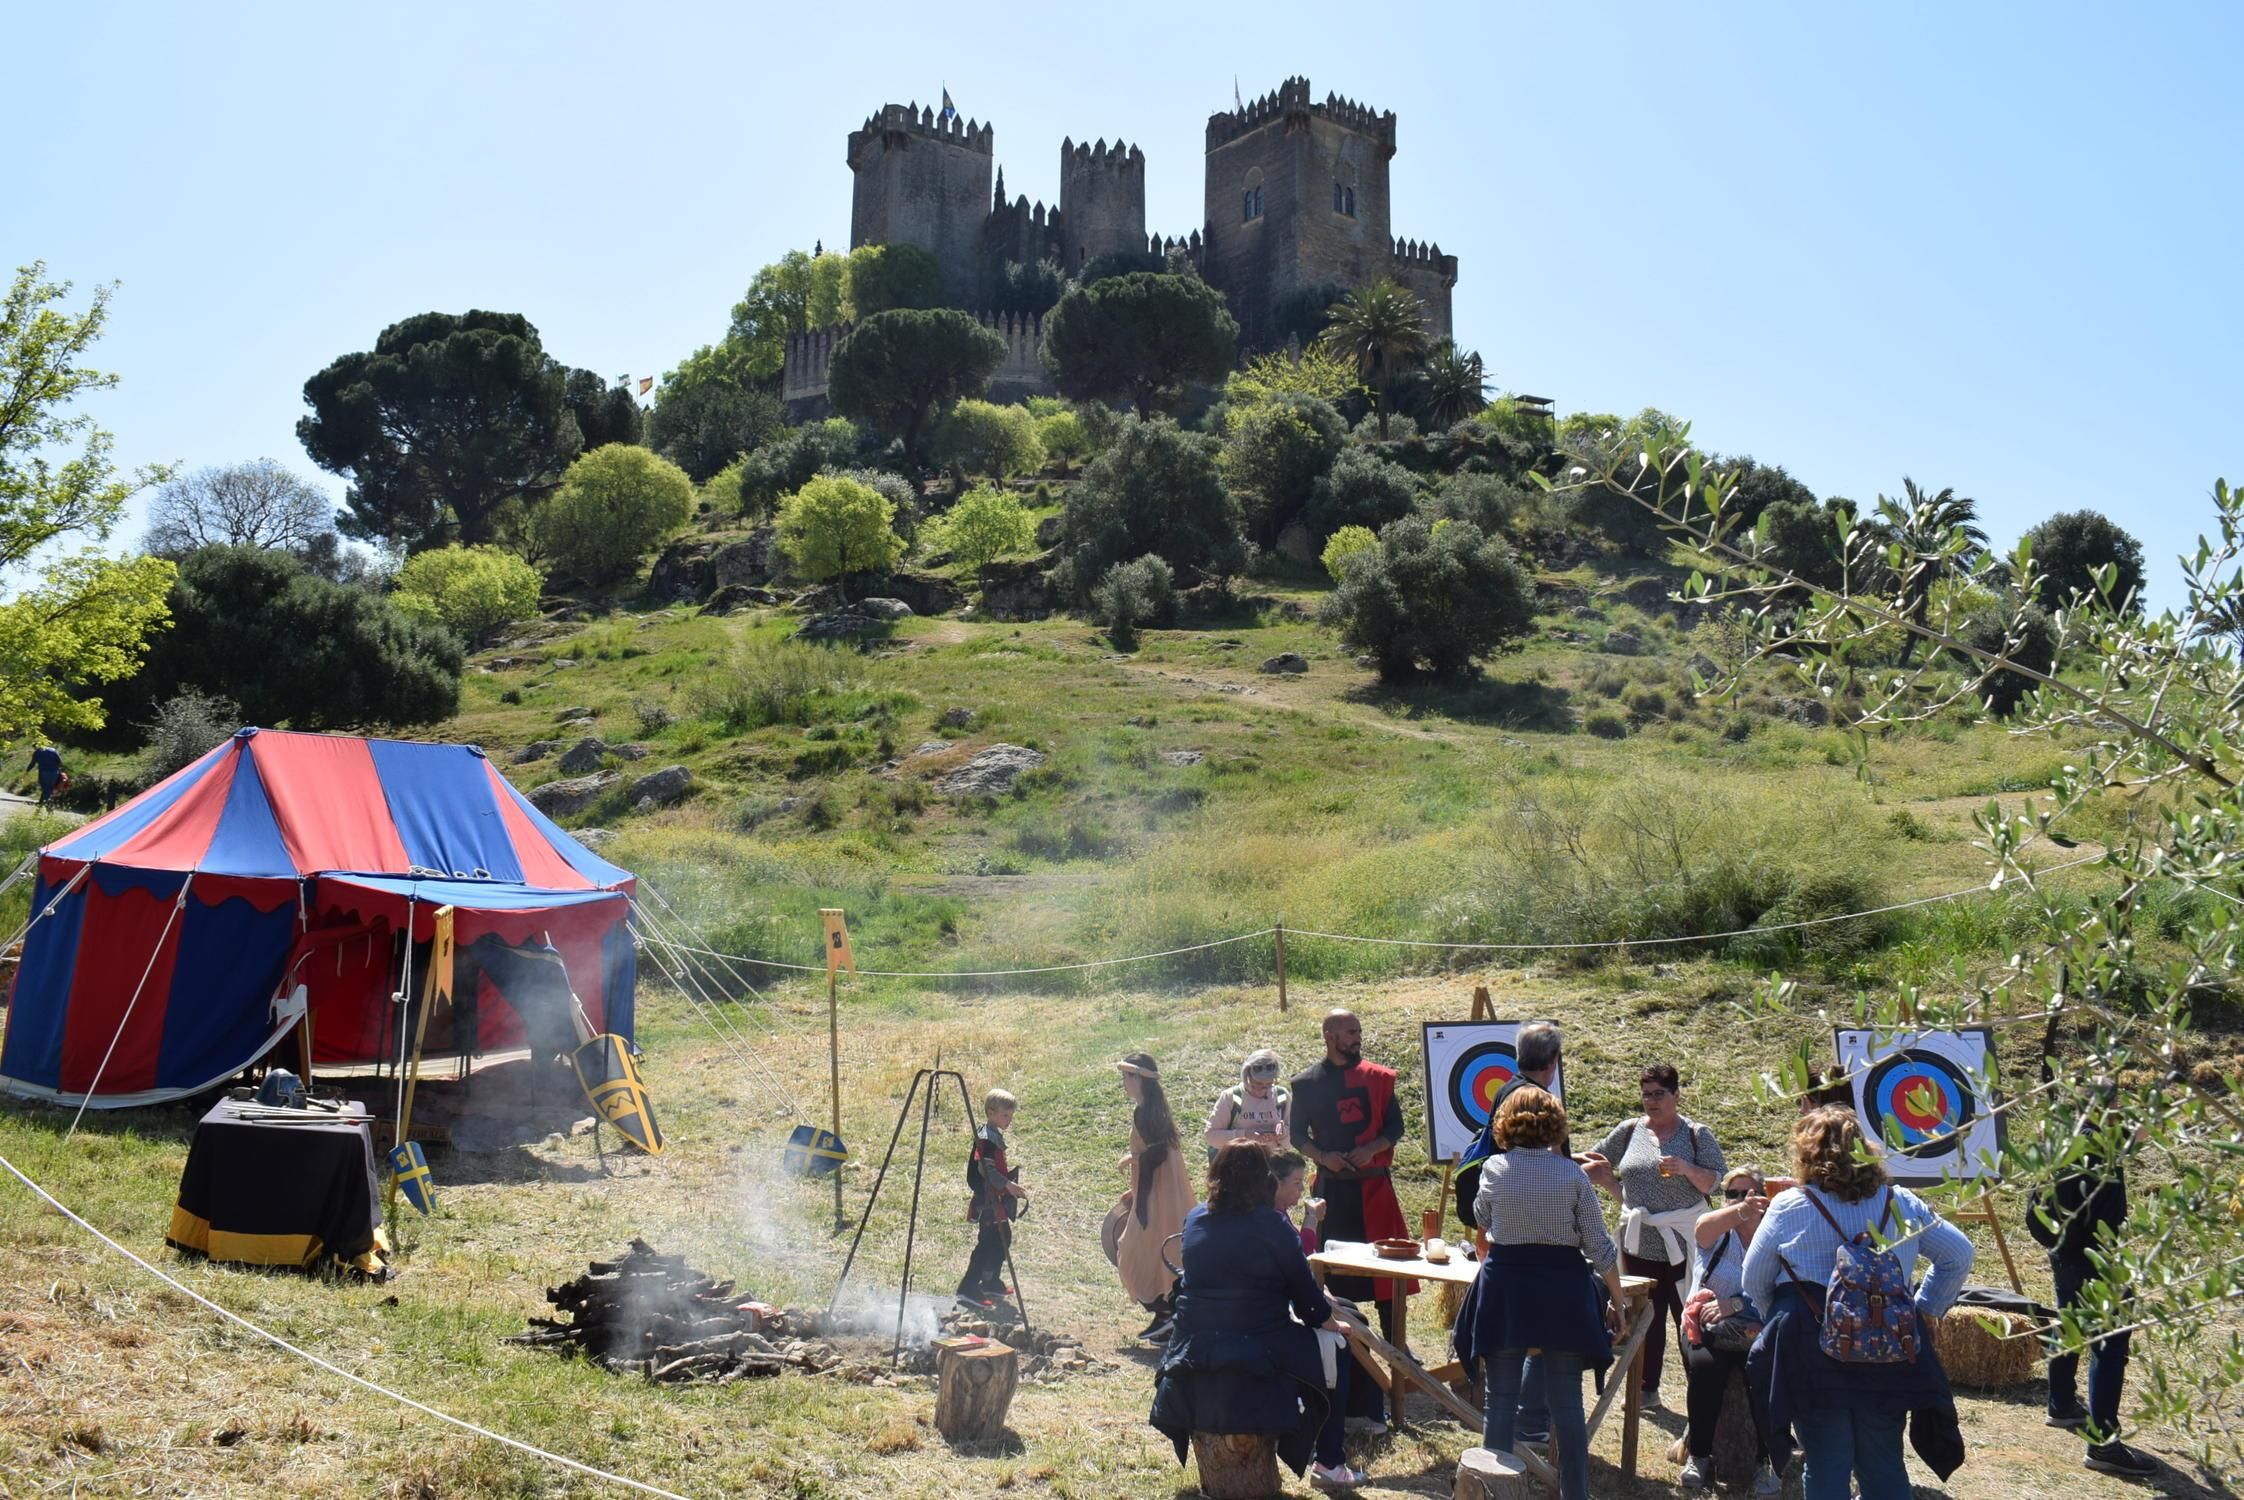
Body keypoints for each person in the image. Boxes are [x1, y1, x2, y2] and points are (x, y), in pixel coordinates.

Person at [1740, 1106, 1974, 1500]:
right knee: (1883, 1462)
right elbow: (1958, 1255)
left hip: (1809, 1349)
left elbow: (1754, 1278)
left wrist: (1781, 1317)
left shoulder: (1789, 1206)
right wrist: (1926, 1309)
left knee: (1826, 1461)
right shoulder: (1901, 1203)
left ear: (1805, 1155)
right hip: (1888, 1347)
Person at [1149, 1141, 1369, 1492]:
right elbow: (1306, 1299)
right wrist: (1331, 1323)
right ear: (1262, 1180)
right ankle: (1330, 1461)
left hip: (1195, 1340)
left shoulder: (1195, 1217)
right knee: (1337, 1346)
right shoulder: (1271, 1225)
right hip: (1257, 1341)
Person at [1459, 1086, 1626, 1500]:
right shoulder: (1571, 1174)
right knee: (1567, 1404)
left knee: (1499, 1401)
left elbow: (1481, 1216)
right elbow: (1598, 1246)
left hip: (1507, 1286)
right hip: (1562, 1287)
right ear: (1554, 1127)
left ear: (1506, 1125)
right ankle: (1576, 1495)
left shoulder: (1494, 1168)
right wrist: (1618, 1301)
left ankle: (1494, 1491)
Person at [1288, 1008, 1414, 1429]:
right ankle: (1338, 1344)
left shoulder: (1379, 1079)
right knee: (1331, 1271)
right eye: (1349, 1032)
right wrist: (1322, 1157)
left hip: (1373, 1186)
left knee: (1385, 1273)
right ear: (1329, 1035)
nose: (1357, 1038)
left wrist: (1374, 1147)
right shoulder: (1306, 1083)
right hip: (1333, 1190)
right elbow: (1297, 1135)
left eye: (1358, 1031)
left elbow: (1395, 1127)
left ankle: (1397, 1347)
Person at [1579, 1062, 1725, 1407]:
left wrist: (1687, 1169)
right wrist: (1563, 1162)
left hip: (1686, 1243)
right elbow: (1597, 1162)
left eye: (1659, 1094)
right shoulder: (1629, 1130)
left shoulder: (1696, 1134)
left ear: (1676, 1094)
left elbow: (1717, 1183)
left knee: (1691, 1317)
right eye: (1646, 1094)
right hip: (1638, 1242)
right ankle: (1646, 1390)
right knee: (1645, 1317)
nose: (1651, 1101)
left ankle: (1703, 1392)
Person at [1452, 1019, 1564, 1444]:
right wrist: (1574, 1175)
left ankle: (1513, 1423)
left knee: (1520, 1333)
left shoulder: (1508, 1086)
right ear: (1552, 1060)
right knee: (1539, 1331)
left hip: (1507, 1232)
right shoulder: (1528, 1094)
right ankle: (1529, 1421)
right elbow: (1540, 1165)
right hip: (1528, 1238)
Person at [2040, 1100, 2156, 1477]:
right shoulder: (2106, 1141)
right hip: (2098, 1256)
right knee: (2111, 1343)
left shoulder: (2063, 1138)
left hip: (2063, 1250)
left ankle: (2060, 1404)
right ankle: (2103, 1444)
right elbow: (2145, 1131)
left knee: (2070, 1319)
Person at [1679, 1167, 1782, 1495]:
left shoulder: (1776, 1237)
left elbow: (1777, 1293)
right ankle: (1699, 1456)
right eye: (1732, 1193)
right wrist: (1739, 1212)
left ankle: (1770, 1462)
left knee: (1765, 1375)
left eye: (1748, 1193)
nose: (1740, 1199)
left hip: (1756, 1328)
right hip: (1707, 1327)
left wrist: (1736, 1304)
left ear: (1764, 1197)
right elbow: (1700, 1229)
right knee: (1707, 1370)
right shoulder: (1718, 1231)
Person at [1116, 1053, 1196, 1343]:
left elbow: (1158, 1155)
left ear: (1143, 1080)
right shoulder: (1150, 1109)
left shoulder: (1146, 1111)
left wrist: (1133, 1162)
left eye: (1129, 1076)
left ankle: (1166, 1312)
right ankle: (1169, 1315)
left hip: (1160, 1195)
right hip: (1163, 1191)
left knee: (1133, 1253)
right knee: (1163, 1251)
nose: (1124, 1082)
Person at [957, 1088, 1027, 1311]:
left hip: (995, 1199)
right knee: (987, 1243)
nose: (1009, 1119)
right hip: (987, 1199)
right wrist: (1008, 1185)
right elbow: (986, 1170)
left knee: (1003, 1237)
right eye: (1005, 1115)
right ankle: (968, 1287)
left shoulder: (993, 1135)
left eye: (1010, 1115)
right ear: (991, 1112)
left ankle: (990, 1280)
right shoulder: (986, 1140)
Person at [1206, 1048, 1290, 1161]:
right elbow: (1211, 1136)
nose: (1263, 1089)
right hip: (1236, 1163)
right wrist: (1246, 1136)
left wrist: (1281, 1133)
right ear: (1247, 1077)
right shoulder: (1231, 1097)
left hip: (1271, 1163)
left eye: (1269, 1084)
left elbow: (1294, 1135)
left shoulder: (1282, 1096)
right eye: (1258, 1083)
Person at [27, 744, 63, 809]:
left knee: (46, 789)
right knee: (48, 788)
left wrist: (27, 771)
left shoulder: (37, 752)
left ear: (36, 746)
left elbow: (32, 763)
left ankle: (49, 806)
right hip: (54, 772)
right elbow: (60, 761)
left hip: (44, 772)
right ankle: (41, 804)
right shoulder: (53, 750)